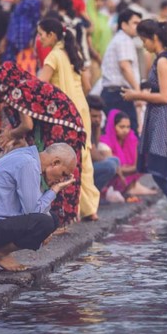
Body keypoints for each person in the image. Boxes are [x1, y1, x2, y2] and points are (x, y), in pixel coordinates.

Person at [0, 62, 86, 227]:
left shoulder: (17, 91)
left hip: (63, 126)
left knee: (61, 173)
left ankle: (57, 221)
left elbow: (27, 125)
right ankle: (56, 220)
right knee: (59, 174)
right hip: (69, 124)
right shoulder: (27, 85)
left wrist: (9, 134)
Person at [124, 20, 167, 224]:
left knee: (160, 170)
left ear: (154, 38)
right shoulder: (162, 58)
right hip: (162, 115)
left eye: (144, 40)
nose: (144, 45)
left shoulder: (163, 60)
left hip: (163, 116)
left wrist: (137, 95)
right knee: (165, 169)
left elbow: (164, 96)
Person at [0, 142, 77, 272]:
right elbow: (34, 212)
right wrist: (55, 189)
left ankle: (1, 252)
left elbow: (35, 210)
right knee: (45, 223)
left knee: (52, 220)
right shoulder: (28, 163)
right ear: (55, 162)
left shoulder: (27, 157)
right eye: (63, 174)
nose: (61, 179)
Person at [36, 18, 99, 221]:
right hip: (82, 109)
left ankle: (69, 213)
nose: (39, 38)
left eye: (41, 34)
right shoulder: (74, 52)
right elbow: (87, 85)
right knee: (84, 157)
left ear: (52, 35)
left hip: (66, 115)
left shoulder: (53, 56)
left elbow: (39, 85)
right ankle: (90, 209)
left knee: (66, 160)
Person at [100, 8, 142, 137]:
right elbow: (125, 66)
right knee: (129, 134)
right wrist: (138, 92)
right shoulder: (124, 40)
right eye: (135, 23)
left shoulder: (121, 39)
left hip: (114, 93)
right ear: (124, 25)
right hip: (119, 95)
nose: (138, 26)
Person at [98, 109, 155, 196]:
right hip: (111, 180)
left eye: (128, 127)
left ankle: (132, 187)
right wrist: (130, 169)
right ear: (113, 127)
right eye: (122, 127)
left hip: (126, 176)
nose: (126, 130)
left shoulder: (132, 140)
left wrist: (127, 169)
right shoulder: (105, 143)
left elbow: (137, 166)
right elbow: (114, 169)